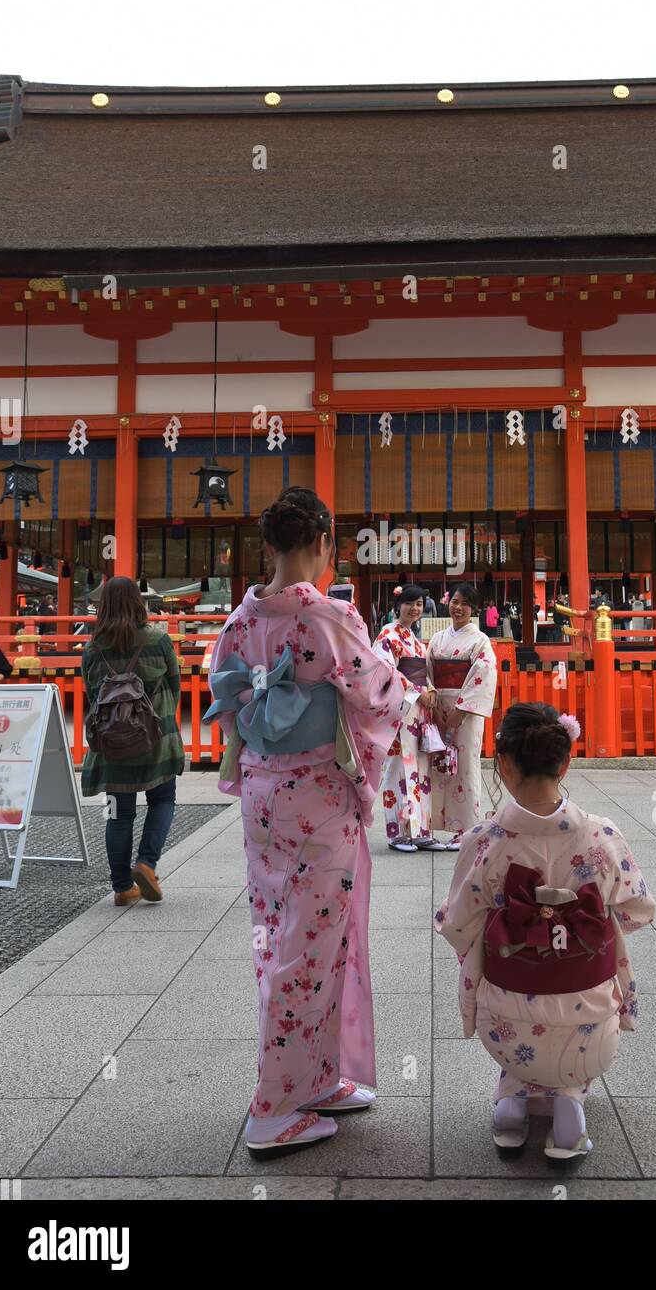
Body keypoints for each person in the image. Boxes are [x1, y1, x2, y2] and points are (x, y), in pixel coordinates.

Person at [205, 487, 414, 1158]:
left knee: (286, 936)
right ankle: (272, 1105)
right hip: (318, 798)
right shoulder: (329, 618)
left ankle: (315, 1077)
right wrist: (415, 695)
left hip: (265, 796)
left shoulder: (240, 622)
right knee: (304, 947)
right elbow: (382, 691)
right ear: (325, 542)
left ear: (268, 546)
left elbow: (227, 695)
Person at [435, 703, 656, 1163]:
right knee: (579, 1017)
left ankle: (512, 1106)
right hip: (590, 1021)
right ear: (565, 763)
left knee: (508, 998)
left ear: (505, 766)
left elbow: (456, 924)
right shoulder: (602, 836)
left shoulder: (485, 840)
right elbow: (638, 910)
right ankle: (568, 1106)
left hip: (505, 1022)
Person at [81, 577, 184, 907]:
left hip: (113, 744)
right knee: (163, 799)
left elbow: (92, 695)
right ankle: (146, 864)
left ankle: (123, 887)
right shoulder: (158, 640)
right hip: (155, 738)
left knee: (118, 814)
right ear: (138, 603)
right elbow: (174, 684)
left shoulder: (92, 649)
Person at [427, 583, 497, 849]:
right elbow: (427, 673)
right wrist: (432, 705)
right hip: (436, 708)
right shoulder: (437, 639)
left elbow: (484, 673)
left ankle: (467, 829)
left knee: (465, 765)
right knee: (435, 766)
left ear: (473, 609)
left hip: (465, 712)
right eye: (455, 602)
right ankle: (430, 824)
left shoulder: (480, 641)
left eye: (465, 604)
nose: (458, 608)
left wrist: (460, 711)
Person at [372, 582, 441, 853]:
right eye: (409, 603)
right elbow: (386, 670)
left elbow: (425, 672)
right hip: (401, 711)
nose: (414, 609)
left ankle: (420, 831)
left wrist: (431, 690)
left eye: (419, 605)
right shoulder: (387, 635)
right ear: (397, 606)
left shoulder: (414, 639)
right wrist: (416, 691)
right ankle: (397, 834)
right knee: (398, 770)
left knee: (420, 770)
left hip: (419, 712)